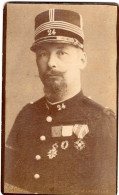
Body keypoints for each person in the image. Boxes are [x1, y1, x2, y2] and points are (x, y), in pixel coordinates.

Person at [4, 9, 116, 195]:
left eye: (61, 53)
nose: (50, 63)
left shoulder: (101, 121)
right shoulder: (27, 115)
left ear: (82, 59)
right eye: (42, 54)